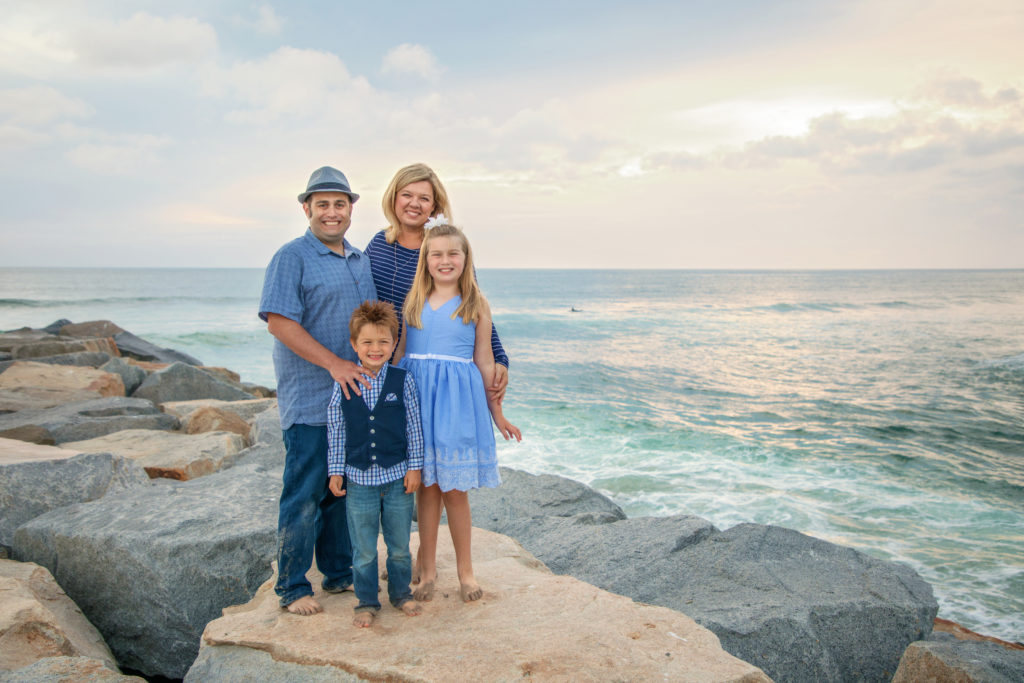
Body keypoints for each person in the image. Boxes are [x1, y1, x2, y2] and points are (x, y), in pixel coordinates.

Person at [258, 166, 377, 616]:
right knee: (304, 493)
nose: (332, 212)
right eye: (322, 204)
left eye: (340, 204)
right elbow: (278, 321)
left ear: (351, 209)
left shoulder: (360, 260)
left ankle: (339, 573)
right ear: (306, 208)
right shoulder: (292, 257)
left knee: (339, 492)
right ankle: (291, 587)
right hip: (309, 399)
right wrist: (334, 364)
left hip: (354, 400)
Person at [394, 220, 522, 603]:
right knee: (427, 489)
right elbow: (400, 356)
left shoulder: (476, 304)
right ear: (426, 260)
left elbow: (484, 362)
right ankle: (429, 568)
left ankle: (466, 571)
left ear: (466, 259)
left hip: (456, 405)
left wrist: (497, 414)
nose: (445, 261)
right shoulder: (413, 300)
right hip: (417, 401)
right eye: (437, 254)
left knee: (454, 490)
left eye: (453, 253)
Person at [363, 163, 509, 402]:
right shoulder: (379, 244)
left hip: (429, 370)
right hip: (380, 365)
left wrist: (500, 357)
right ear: (394, 198)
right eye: (407, 195)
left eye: (424, 198)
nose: (414, 203)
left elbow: (473, 305)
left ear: (434, 206)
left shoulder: (445, 250)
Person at [327, 301, 424, 627]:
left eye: (383, 341)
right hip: (358, 480)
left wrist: (415, 467)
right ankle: (366, 601)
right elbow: (336, 427)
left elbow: (413, 425)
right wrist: (335, 470)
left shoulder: (402, 380)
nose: (375, 348)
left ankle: (401, 594)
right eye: (367, 342)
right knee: (364, 549)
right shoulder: (344, 381)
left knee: (399, 546)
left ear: (393, 343)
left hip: (398, 477)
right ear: (354, 344)